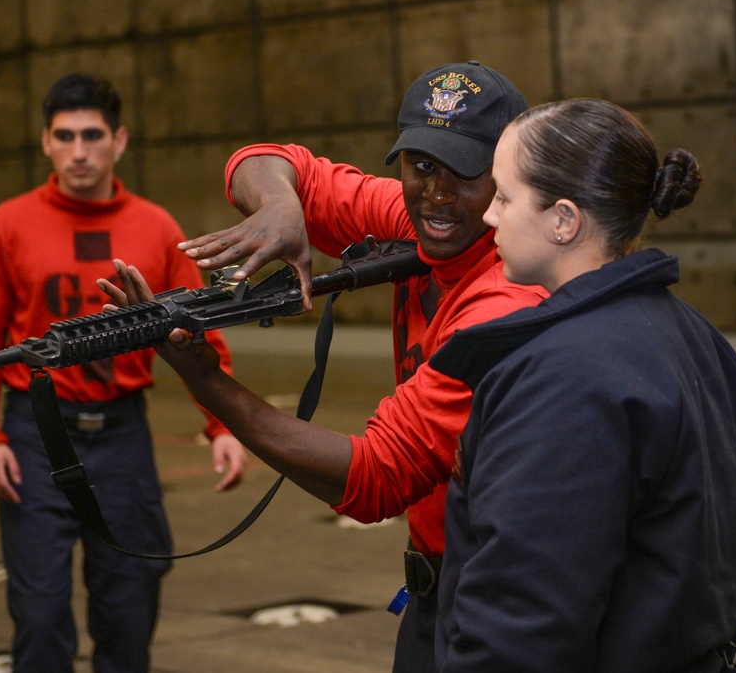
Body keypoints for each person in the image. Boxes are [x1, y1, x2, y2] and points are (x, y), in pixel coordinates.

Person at [101, 61, 548, 671]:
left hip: (503, 604)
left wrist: (206, 381)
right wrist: (280, 206)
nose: (438, 194)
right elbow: (261, 160)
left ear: (510, 179)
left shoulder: (507, 300)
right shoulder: (416, 216)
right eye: (421, 166)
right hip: (435, 590)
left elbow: (375, 478)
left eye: (467, 172)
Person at [423, 98, 736, 670]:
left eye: (505, 197)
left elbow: (520, 626)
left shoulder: (561, 378)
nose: (490, 216)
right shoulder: (691, 333)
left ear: (564, 220)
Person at [0, 72, 247, 673]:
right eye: (65, 136)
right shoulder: (7, 225)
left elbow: (202, 338)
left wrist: (224, 426)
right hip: (36, 437)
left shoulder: (157, 227)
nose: (79, 151)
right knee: (39, 621)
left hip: (122, 438)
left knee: (129, 615)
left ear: (120, 141)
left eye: (92, 135)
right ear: (45, 142)